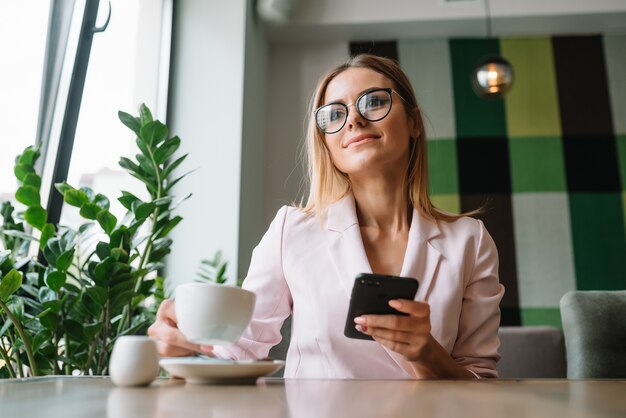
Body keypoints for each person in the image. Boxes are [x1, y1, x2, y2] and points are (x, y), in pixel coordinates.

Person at [148, 54, 505, 379]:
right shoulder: (293, 230)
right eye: (335, 114)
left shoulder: (470, 241)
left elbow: (482, 383)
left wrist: (428, 354)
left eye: (375, 101)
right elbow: (236, 352)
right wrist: (183, 351)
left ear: (413, 122)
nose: (355, 119)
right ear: (326, 144)